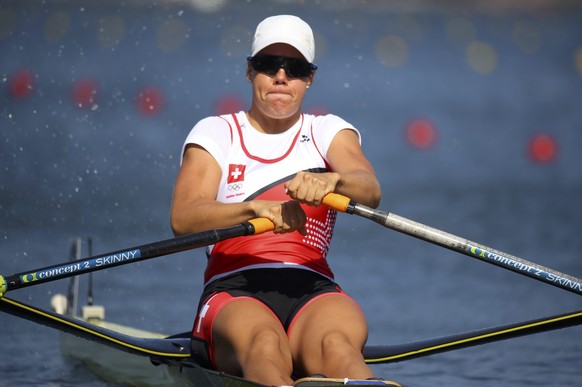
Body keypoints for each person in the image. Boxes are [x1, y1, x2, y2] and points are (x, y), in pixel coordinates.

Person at [170, 15, 384, 386]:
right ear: (250, 71)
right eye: (269, 65)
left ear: (310, 78)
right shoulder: (216, 133)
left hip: (313, 287)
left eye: (295, 68)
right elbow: (184, 217)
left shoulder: (328, 131)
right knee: (264, 346)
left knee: (339, 348)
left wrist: (334, 180)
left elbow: (369, 189)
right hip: (233, 288)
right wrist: (255, 208)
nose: (281, 76)